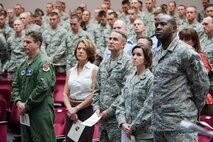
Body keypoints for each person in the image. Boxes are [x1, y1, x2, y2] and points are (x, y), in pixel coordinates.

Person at [152, 14, 210, 142]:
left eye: (163, 24)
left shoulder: (186, 52)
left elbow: (202, 84)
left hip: (180, 124)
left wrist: (190, 109)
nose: (158, 27)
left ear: (174, 28)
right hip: (159, 124)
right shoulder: (156, 53)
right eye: (156, 25)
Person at [12, 31, 56, 142]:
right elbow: (15, 85)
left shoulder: (43, 63)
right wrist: (18, 102)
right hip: (25, 112)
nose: (24, 45)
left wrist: (27, 105)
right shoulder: (23, 65)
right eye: (24, 42)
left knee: (42, 139)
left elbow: (43, 88)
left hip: (40, 111)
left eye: (28, 42)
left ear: (38, 44)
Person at [93, 30, 134, 142]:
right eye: (110, 38)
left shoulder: (129, 63)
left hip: (117, 119)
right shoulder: (103, 63)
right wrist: (96, 108)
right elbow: (97, 89)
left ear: (123, 44)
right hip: (102, 118)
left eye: (115, 39)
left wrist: (109, 111)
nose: (111, 41)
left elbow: (125, 92)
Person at [116, 44, 154, 141]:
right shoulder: (129, 78)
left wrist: (132, 127)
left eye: (138, 55)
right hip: (126, 131)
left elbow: (148, 107)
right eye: (133, 54)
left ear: (146, 58)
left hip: (144, 134)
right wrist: (122, 123)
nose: (134, 57)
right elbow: (120, 102)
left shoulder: (150, 79)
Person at [63, 39, 98, 142]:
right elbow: (65, 93)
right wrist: (70, 109)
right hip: (71, 111)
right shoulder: (70, 71)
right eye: (79, 48)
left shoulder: (94, 69)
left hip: (86, 110)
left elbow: (94, 94)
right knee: (70, 140)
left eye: (84, 49)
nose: (80, 51)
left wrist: (76, 109)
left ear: (89, 52)